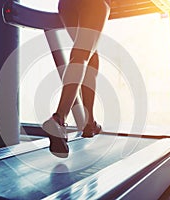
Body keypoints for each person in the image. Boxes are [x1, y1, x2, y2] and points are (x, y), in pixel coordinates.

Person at [43, 0, 111, 158]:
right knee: (81, 55)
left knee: (90, 57)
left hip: (66, 5)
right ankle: (59, 118)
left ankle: (90, 123)